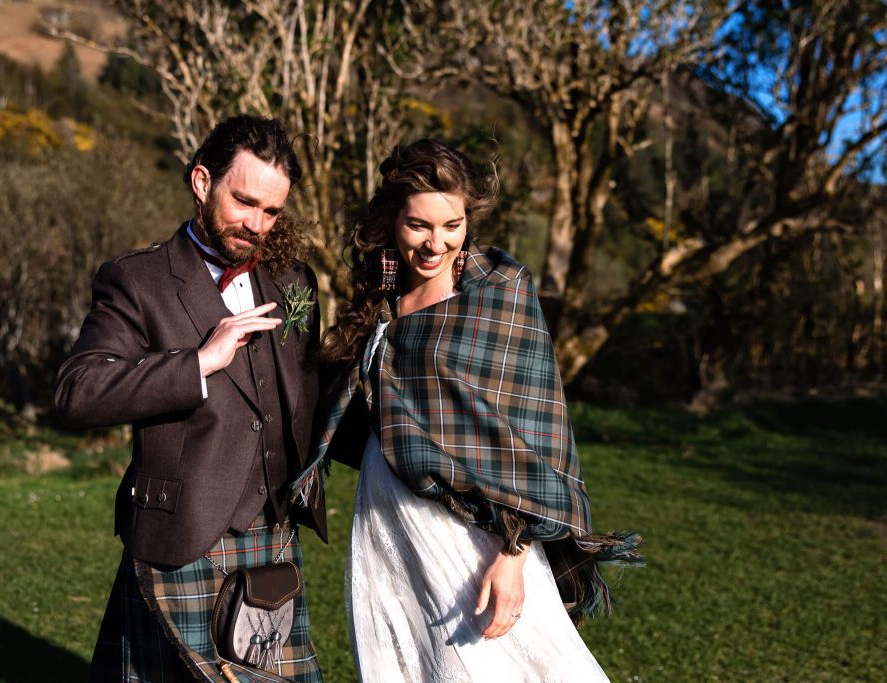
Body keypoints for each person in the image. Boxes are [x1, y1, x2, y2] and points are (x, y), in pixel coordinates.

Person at [295, 139, 642, 681]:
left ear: (468, 219)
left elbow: (540, 432)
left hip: (470, 534)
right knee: (403, 666)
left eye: (451, 226)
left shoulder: (500, 294)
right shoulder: (382, 298)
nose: (436, 243)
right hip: (386, 524)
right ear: (392, 220)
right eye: (419, 226)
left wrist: (514, 553)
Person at [56, 115, 326, 683]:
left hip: (274, 541)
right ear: (202, 182)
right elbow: (77, 392)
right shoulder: (140, 280)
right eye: (244, 201)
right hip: (183, 538)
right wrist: (200, 362)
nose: (257, 225)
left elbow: (308, 393)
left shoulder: (295, 280)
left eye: (272, 212)